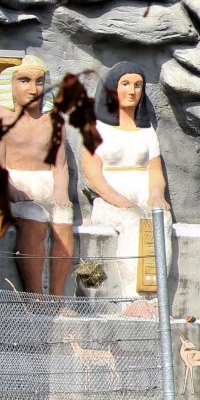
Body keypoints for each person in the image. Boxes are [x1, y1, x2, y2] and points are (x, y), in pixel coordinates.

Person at [80, 61, 169, 299]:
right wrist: (118, 200)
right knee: (132, 221)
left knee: (163, 220)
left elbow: (155, 173)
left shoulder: (147, 132)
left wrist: (157, 195)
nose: (132, 91)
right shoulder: (96, 129)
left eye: (138, 85)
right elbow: (92, 173)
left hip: (143, 194)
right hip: (109, 201)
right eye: (125, 84)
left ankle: (156, 299)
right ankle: (133, 299)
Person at [0, 55, 75, 295]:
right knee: (33, 216)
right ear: (10, 84)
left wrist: (60, 190)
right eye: (25, 81)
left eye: (39, 82)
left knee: (63, 217)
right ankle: (35, 296)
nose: (33, 89)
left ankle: (57, 298)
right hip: (16, 187)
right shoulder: (0, 118)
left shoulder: (54, 120)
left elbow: (59, 165)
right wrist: (11, 189)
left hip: (46, 185)